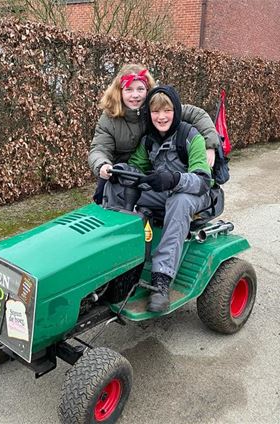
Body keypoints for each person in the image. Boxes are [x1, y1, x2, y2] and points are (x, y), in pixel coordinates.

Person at [104, 85, 213, 312]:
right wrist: (120, 171)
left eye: (167, 111)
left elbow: (203, 181)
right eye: (155, 112)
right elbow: (136, 167)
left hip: (195, 195)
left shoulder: (191, 137)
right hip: (164, 193)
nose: (161, 117)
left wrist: (174, 179)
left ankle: (161, 281)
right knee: (120, 189)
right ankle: (119, 264)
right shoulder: (149, 140)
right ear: (149, 114)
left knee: (179, 201)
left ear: (176, 111)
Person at [88, 64, 219, 204]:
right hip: (121, 172)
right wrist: (102, 165)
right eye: (129, 89)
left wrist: (210, 144)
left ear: (148, 90)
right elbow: (99, 148)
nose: (135, 95)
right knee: (105, 200)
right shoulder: (109, 118)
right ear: (119, 92)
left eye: (140, 89)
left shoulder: (158, 108)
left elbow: (197, 115)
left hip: (151, 171)